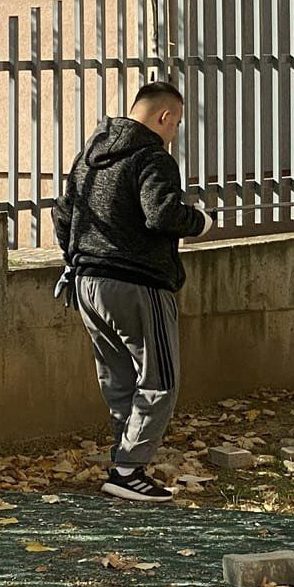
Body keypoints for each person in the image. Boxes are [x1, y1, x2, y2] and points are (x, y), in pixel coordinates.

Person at [54, 79, 211, 503]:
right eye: (175, 124)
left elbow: (64, 212)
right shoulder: (152, 157)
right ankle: (127, 469)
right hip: (137, 283)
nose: (174, 133)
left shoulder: (89, 155)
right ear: (165, 117)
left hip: (86, 282)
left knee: (118, 376)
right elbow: (161, 214)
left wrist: (79, 259)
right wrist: (199, 221)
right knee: (160, 378)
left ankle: (124, 461)